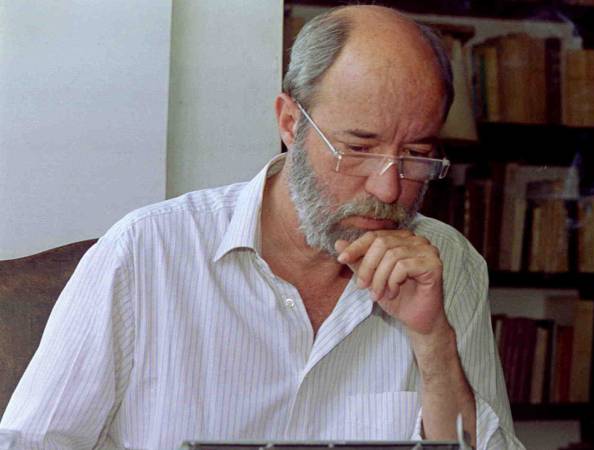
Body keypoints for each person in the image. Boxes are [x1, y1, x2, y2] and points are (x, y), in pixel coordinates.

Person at [0, 5, 524, 450]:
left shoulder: (448, 263)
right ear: (291, 124)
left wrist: (433, 341)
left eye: (415, 154)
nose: (388, 189)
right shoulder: (144, 254)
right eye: (358, 148)